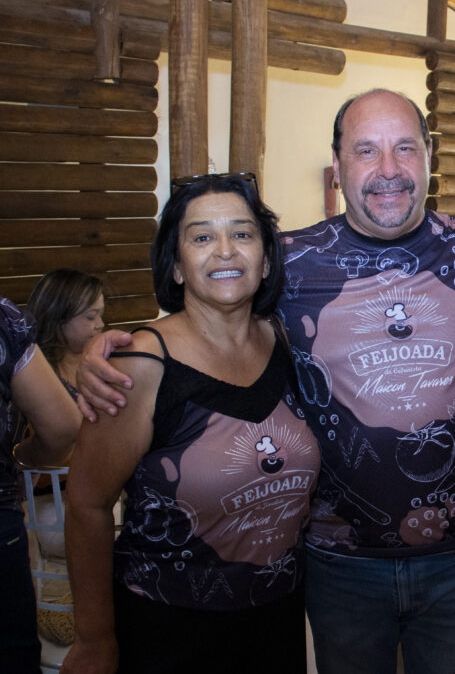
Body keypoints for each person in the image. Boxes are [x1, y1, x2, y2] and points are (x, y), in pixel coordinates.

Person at [76, 89, 455, 674]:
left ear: (428, 157)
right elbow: (210, 308)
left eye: (405, 148)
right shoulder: (289, 262)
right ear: (338, 165)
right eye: (366, 150)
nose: (388, 169)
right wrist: (110, 345)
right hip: (338, 563)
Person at [62, 173, 320, 673]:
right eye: (202, 237)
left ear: (266, 259)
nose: (225, 250)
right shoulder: (140, 366)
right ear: (177, 266)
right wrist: (93, 637)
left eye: (242, 233)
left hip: (278, 617)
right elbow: (87, 505)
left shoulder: (288, 342)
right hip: (168, 627)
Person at [0, 296, 80, 673]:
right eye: (90, 315)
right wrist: (21, 458)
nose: (99, 324)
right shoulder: (5, 321)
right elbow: (62, 428)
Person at [25, 268, 105, 398]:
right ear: (58, 317)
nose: (100, 324)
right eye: (90, 317)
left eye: (101, 314)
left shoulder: (103, 360)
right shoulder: (35, 371)